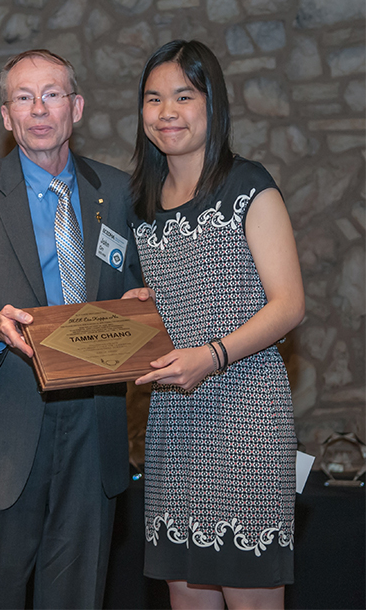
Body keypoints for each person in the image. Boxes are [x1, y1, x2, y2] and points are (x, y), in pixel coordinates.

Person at [0, 49, 142, 610]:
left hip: (93, 435)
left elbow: (138, 292)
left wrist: (142, 307)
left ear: (76, 108)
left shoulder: (119, 194)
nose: (38, 109)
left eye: (51, 95)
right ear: (6, 116)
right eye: (23, 97)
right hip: (3, 434)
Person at [123, 40, 305, 610]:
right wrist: (144, 306)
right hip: (174, 425)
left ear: (212, 104)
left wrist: (214, 354)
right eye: (153, 99)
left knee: (249, 594)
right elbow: (187, 294)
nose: (167, 111)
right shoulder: (142, 204)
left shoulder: (247, 185)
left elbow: (288, 305)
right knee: (186, 593)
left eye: (183, 95)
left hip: (246, 416)